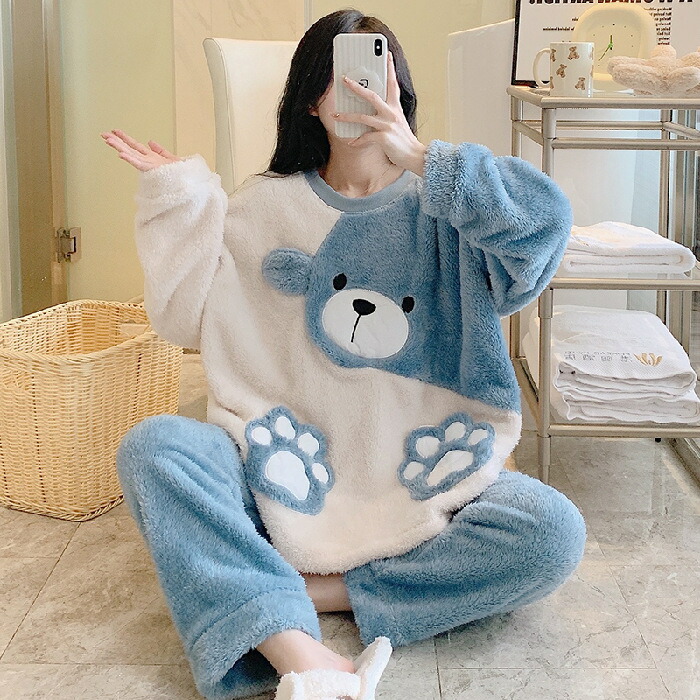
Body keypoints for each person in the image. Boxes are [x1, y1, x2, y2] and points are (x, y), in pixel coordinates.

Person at [103, 9, 586, 700]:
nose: (358, 90)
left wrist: (421, 158)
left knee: (550, 534)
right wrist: (180, 199)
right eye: (339, 76)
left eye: (373, 71)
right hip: (282, 476)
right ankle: (297, 649)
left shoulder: (448, 205)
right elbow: (184, 322)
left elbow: (545, 224)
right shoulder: (261, 207)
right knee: (156, 448)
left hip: (421, 481)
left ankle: (302, 591)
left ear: (399, 88)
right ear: (310, 99)